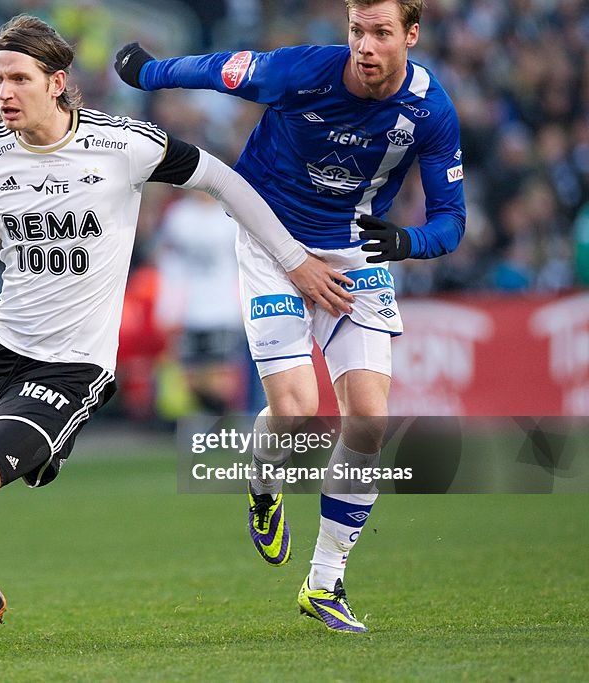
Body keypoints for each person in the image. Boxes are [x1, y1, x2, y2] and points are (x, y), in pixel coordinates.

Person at [0, 14, 353, 646]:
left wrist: (295, 260)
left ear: (57, 82)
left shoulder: (126, 145)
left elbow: (224, 181)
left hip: (72, 365)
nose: (3, 91)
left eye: (18, 78)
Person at [115, 0, 465, 633]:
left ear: (411, 35)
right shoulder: (302, 71)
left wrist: (407, 243)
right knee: (298, 411)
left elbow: (451, 220)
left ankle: (325, 583)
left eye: (381, 33)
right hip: (269, 242)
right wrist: (146, 73)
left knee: (369, 416)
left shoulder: (430, 111)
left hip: (353, 251)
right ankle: (263, 484)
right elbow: (219, 68)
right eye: (357, 30)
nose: (365, 45)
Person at [153, 192, 245, 416]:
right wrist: (167, 307)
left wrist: (243, 304)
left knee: (222, 374)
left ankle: (223, 422)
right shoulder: (178, 216)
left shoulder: (230, 215)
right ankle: (199, 423)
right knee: (190, 375)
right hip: (189, 309)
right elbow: (169, 263)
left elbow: (243, 263)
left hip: (224, 308)